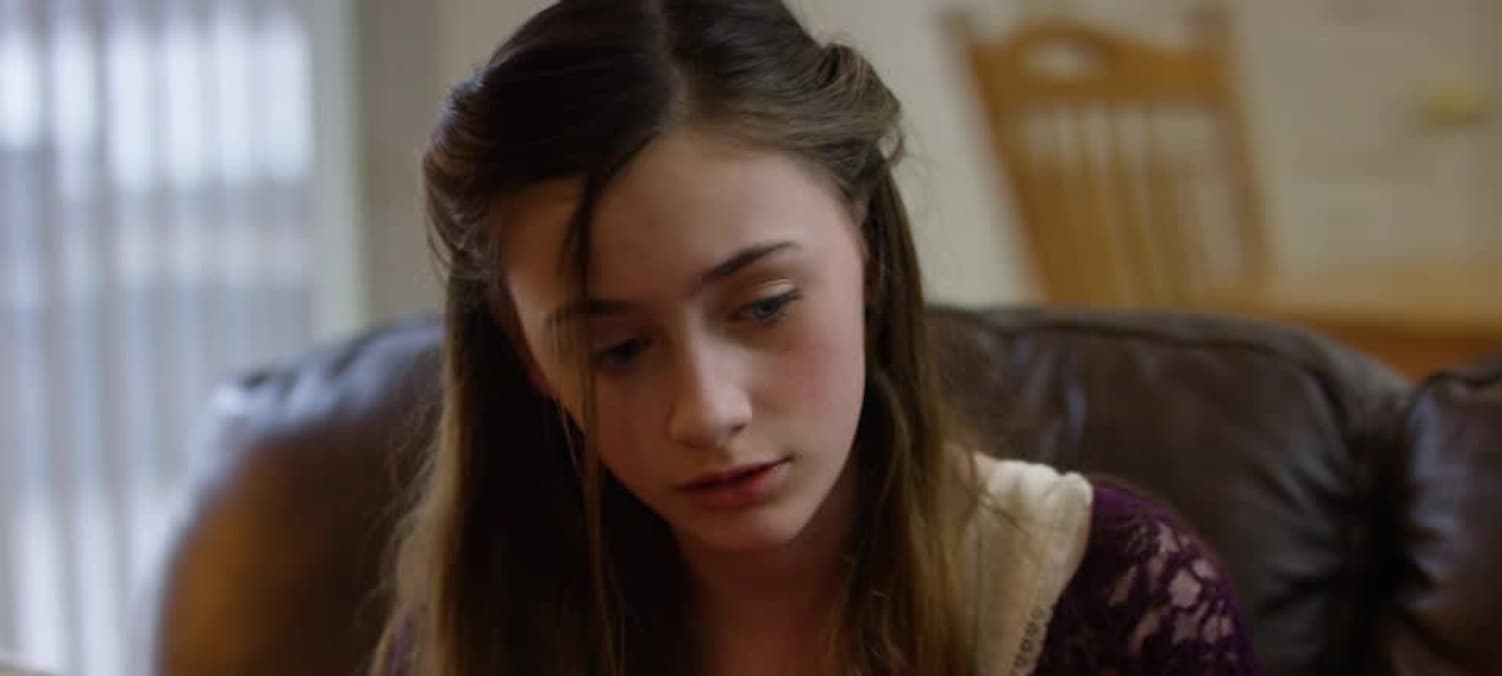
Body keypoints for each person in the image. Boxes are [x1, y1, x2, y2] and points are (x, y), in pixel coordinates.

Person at [373, 0, 1262, 674]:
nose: (708, 412)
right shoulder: (469, 633)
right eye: (619, 350)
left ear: (868, 252)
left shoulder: (1115, 597)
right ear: (528, 358)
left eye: (764, 306)